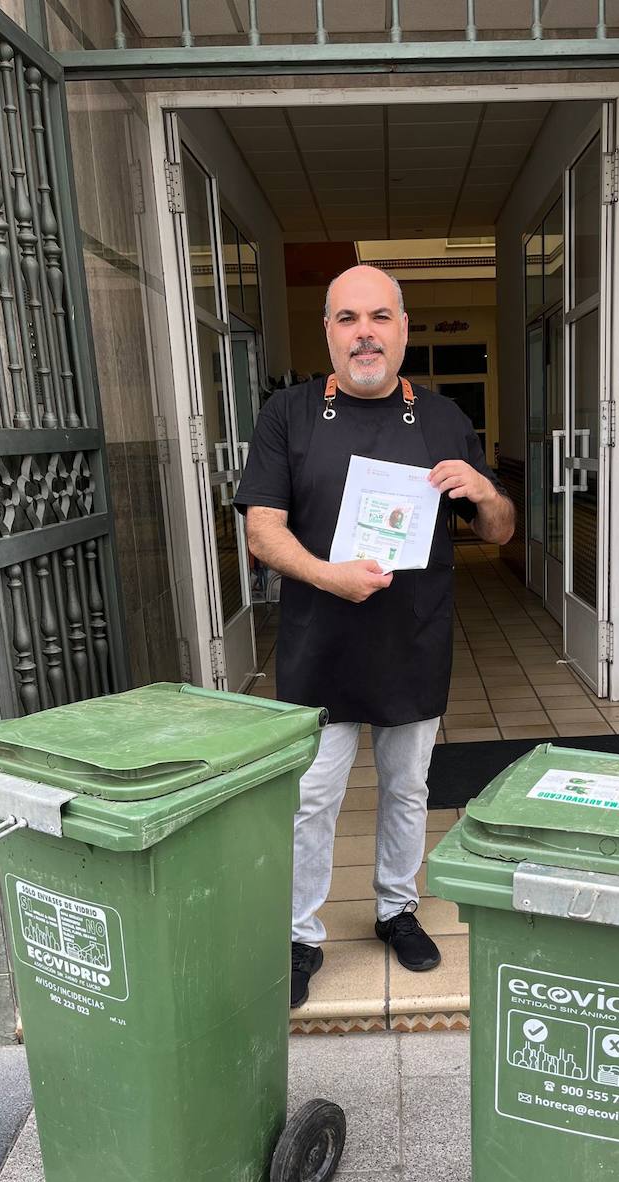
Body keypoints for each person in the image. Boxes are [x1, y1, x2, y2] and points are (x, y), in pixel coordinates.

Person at [234, 266, 515, 1008]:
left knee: (407, 790)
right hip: (318, 649)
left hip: (411, 643)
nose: (366, 333)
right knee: (311, 800)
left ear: (403, 328)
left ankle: (397, 909)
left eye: (380, 317)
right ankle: (299, 935)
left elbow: (499, 530)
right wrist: (328, 577)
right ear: (328, 331)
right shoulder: (288, 415)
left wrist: (484, 490)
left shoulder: (444, 418)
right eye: (349, 318)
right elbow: (263, 532)